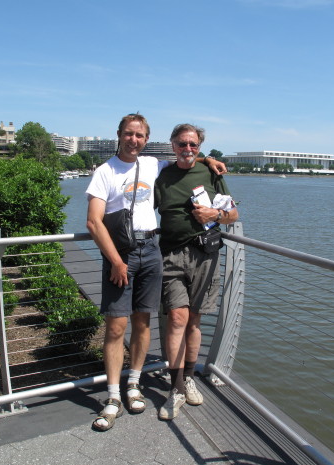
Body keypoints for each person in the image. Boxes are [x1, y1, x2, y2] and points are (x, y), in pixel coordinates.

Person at [85, 114, 225, 431]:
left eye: (140, 135)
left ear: (147, 139)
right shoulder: (105, 172)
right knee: (116, 326)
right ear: (119, 135)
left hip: (151, 251)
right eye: (129, 134)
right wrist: (116, 261)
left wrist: (209, 159)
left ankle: (133, 384)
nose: (133, 140)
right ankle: (112, 396)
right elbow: (93, 222)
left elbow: (185, 156)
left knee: (143, 322)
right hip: (120, 253)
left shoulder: (152, 165)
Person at [154, 123, 239, 420]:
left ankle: (188, 376)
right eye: (181, 144)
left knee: (195, 320)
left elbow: (233, 215)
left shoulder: (211, 173)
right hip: (170, 255)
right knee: (177, 317)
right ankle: (176, 388)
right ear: (172, 145)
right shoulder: (161, 175)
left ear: (200, 146)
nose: (187, 149)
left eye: (193, 144)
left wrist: (214, 213)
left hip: (205, 255)